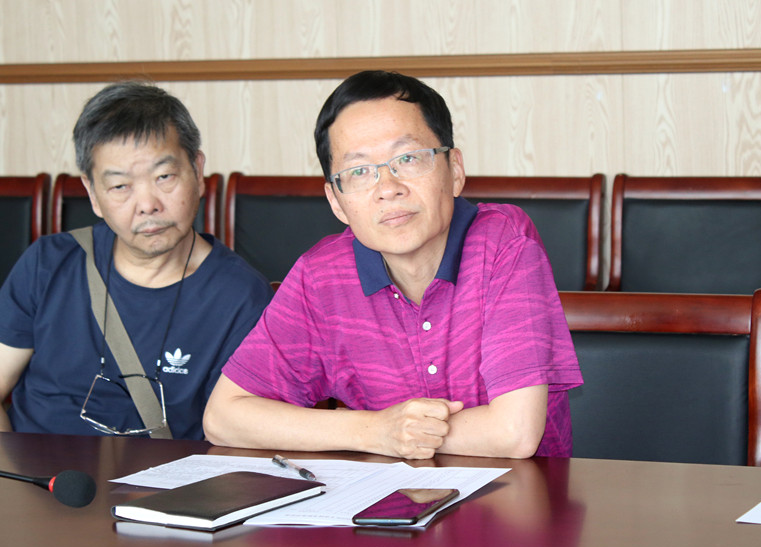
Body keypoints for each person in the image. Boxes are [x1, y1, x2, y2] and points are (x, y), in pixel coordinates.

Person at [204, 70, 582, 458]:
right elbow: (223, 417)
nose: (388, 189)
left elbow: (513, 433)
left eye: (409, 158)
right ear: (336, 202)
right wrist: (374, 431)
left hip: (517, 492)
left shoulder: (505, 243)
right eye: (359, 172)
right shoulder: (321, 275)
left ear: (454, 170)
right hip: (386, 494)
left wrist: (396, 435)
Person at [0, 81, 272, 439]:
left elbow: (232, 436)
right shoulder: (48, 264)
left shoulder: (241, 297)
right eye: (120, 186)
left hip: (162, 477)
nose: (147, 205)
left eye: (164, 177)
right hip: (33, 472)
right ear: (92, 194)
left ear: (197, 171)